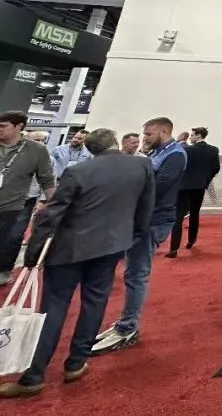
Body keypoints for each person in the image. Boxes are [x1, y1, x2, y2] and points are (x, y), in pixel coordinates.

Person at [0, 129, 154, 399]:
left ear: (90, 150)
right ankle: (76, 364)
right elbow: (145, 207)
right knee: (95, 303)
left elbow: (52, 215)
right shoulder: (141, 166)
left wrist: (33, 253)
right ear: (115, 143)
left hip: (68, 249)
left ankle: (33, 376)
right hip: (112, 246)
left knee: (53, 309)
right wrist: (132, 237)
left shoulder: (78, 172)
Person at [91, 117, 187, 354]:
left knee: (136, 275)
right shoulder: (156, 153)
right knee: (132, 272)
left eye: (149, 134)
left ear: (164, 132)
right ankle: (126, 323)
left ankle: (128, 327)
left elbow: (157, 187)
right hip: (142, 219)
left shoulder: (175, 155)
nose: (144, 138)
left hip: (153, 221)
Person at [0, 112, 55, 286]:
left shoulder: (36, 150)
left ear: (19, 126)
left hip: (14, 205)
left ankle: (3, 270)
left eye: (3, 126)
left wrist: (54, 205)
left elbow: (46, 179)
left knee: (11, 239)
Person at [166, 126, 220, 257]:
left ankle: (173, 249)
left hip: (183, 187)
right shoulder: (213, 150)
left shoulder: (186, 150)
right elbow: (216, 168)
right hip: (200, 187)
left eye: (192, 135)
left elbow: (179, 166)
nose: (190, 137)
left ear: (199, 135)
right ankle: (191, 241)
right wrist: (205, 180)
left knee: (178, 217)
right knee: (195, 214)